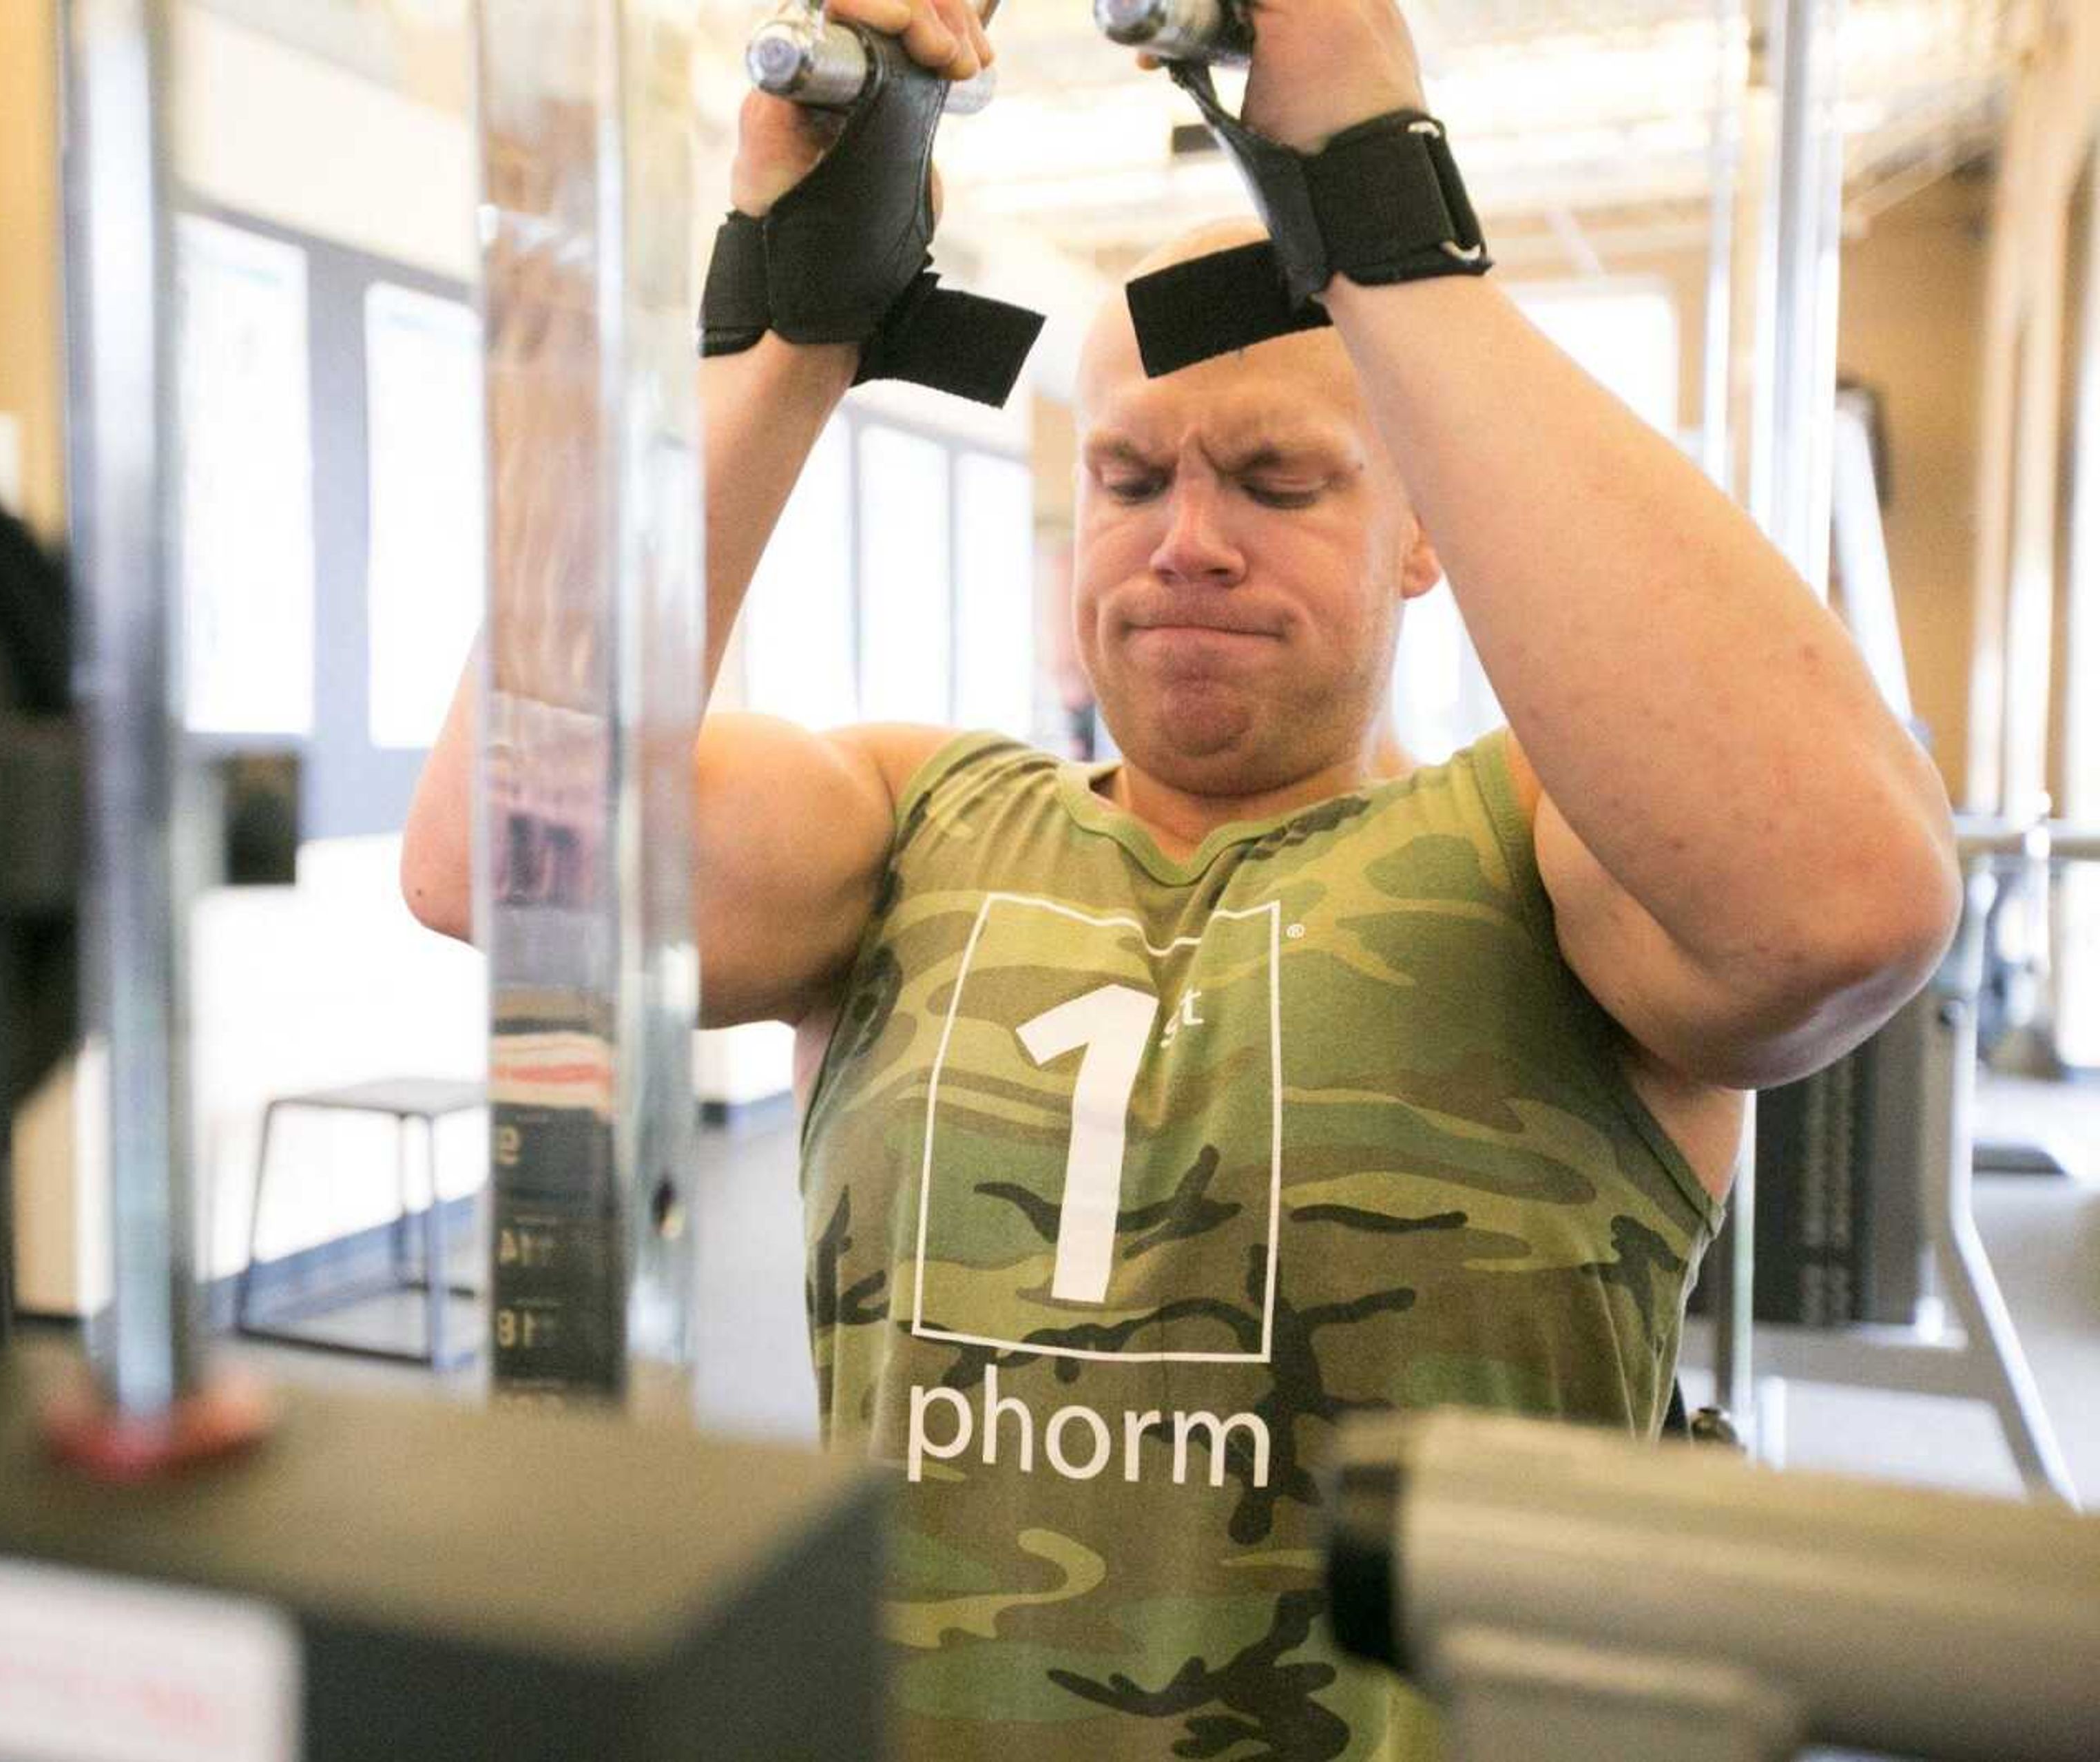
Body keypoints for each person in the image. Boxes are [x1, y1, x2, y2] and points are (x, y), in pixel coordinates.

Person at [404, 1, 1961, 1754]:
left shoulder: (1543, 852)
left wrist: (1384, 218)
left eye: (1284, 480)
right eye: (1129, 478)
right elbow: (492, 850)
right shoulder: (909, 822)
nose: (1187, 541)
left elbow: (1853, 900)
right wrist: (785, 333)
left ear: (1428, 528)